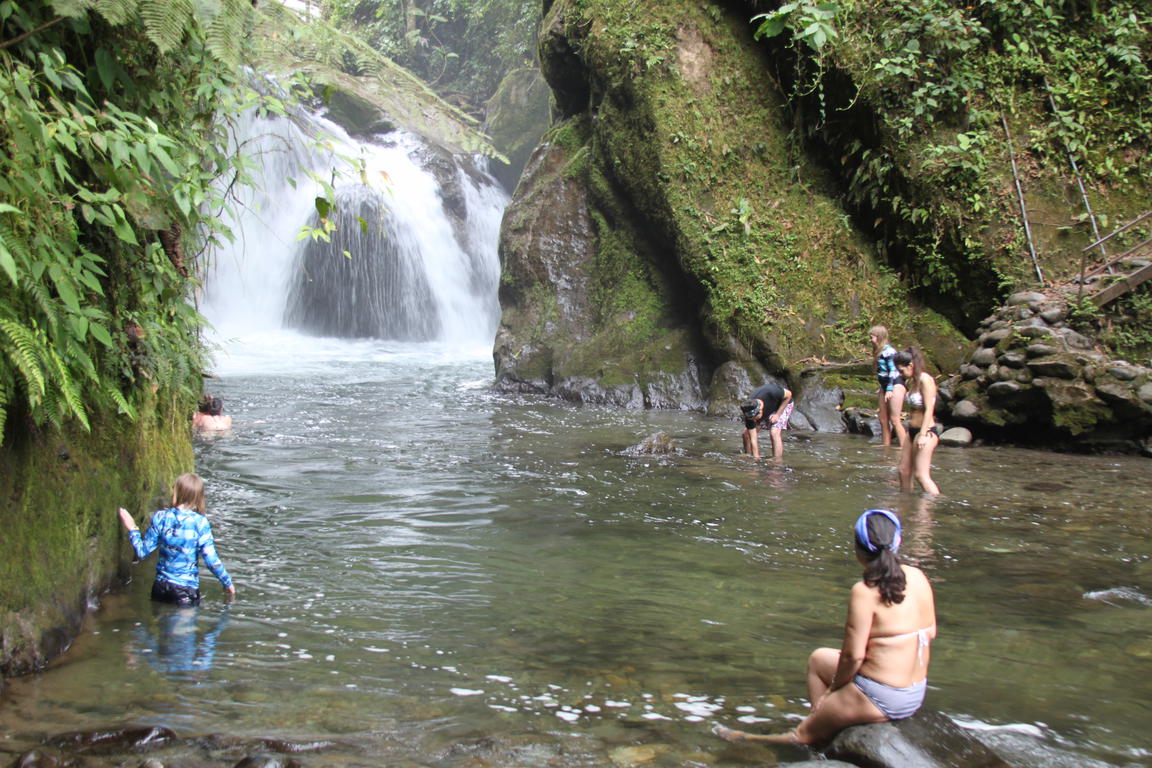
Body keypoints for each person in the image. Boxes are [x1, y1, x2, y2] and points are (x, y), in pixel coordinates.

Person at [714, 509, 936, 746]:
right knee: (818, 659)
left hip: (884, 696)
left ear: (857, 550)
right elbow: (931, 632)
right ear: (898, 542)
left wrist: (833, 691)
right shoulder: (918, 576)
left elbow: (853, 657)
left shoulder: (864, 592)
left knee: (801, 736)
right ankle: (825, 720)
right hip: (915, 691)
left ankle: (756, 738)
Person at [117, 473, 235, 606]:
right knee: (184, 626)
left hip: (160, 588)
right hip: (185, 591)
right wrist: (227, 582)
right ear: (199, 497)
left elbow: (142, 552)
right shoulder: (200, 523)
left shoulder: (161, 517)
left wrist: (133, 528)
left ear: (176, 491)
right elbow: (211, 561)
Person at [894, 347, 940, 495]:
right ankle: (906, 505)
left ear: (911, 365)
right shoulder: (911, 382)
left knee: (921, 475)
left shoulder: (925, 380)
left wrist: (922, 433)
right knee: (903, 470)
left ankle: (933, 507)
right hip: (912, 431)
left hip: (925, 432)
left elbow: (929, 409)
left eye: (901, 371)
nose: (900, 374)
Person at [869, 326, 906, 448]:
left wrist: (890, 388)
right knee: (883, 419)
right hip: (884, 387)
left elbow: (893, 371)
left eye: (872, 337)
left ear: (878, 337)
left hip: (895, 385)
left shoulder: (889, 351)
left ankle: (904, 448)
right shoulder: (879, 351)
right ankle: (886, 445)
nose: (870, 339)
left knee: (895, 420)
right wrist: (883, 387)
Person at [740, 381, 794, 459]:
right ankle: (749, 454)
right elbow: (753, 437)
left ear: (761, 410)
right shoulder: (749, 409)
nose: (754, 420)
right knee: (746, 434)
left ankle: (777, 461)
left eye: (755, 418)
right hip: (768, 408)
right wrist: (756, 457)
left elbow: (789, 394)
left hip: (784, 403)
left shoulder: (772, 392)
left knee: (774, 432)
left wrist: (778, 414)